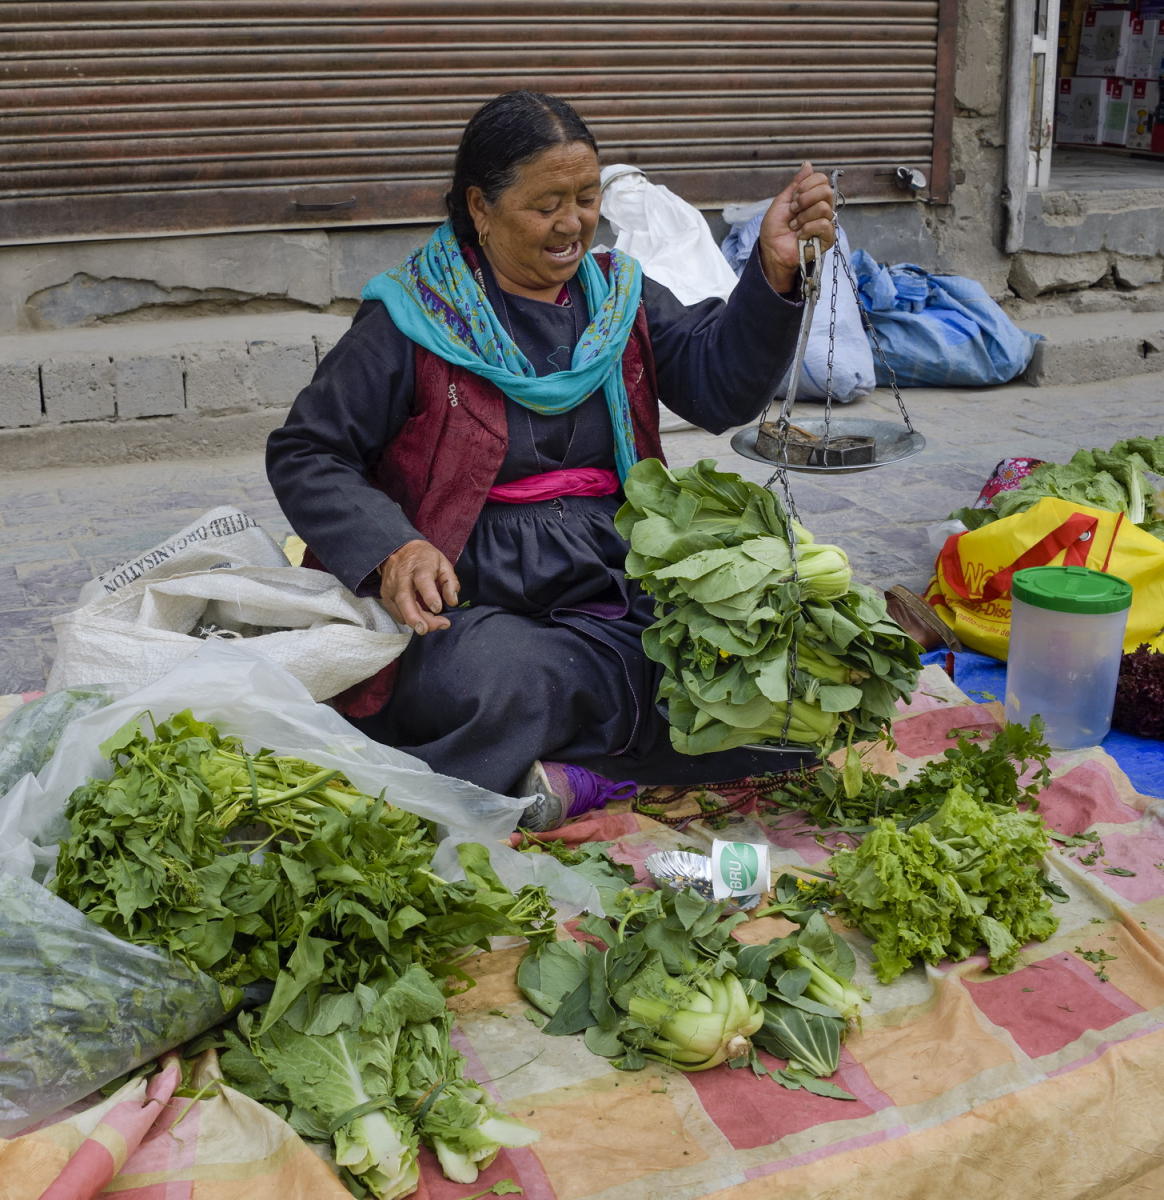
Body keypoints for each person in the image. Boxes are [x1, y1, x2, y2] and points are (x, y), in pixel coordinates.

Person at [266, 90, 837, 829]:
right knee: (502, 683)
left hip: (617, 571)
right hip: (472, 597)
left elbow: (719, 387)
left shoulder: (617, 298)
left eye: (588, 197)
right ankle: (603, 770)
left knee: (766, 662)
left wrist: (773, 269)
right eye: (547, 204)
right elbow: (308, 450)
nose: (573, 223)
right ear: (480, 207)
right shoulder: (413, 318)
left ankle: (576, 775)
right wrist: (393, 548)